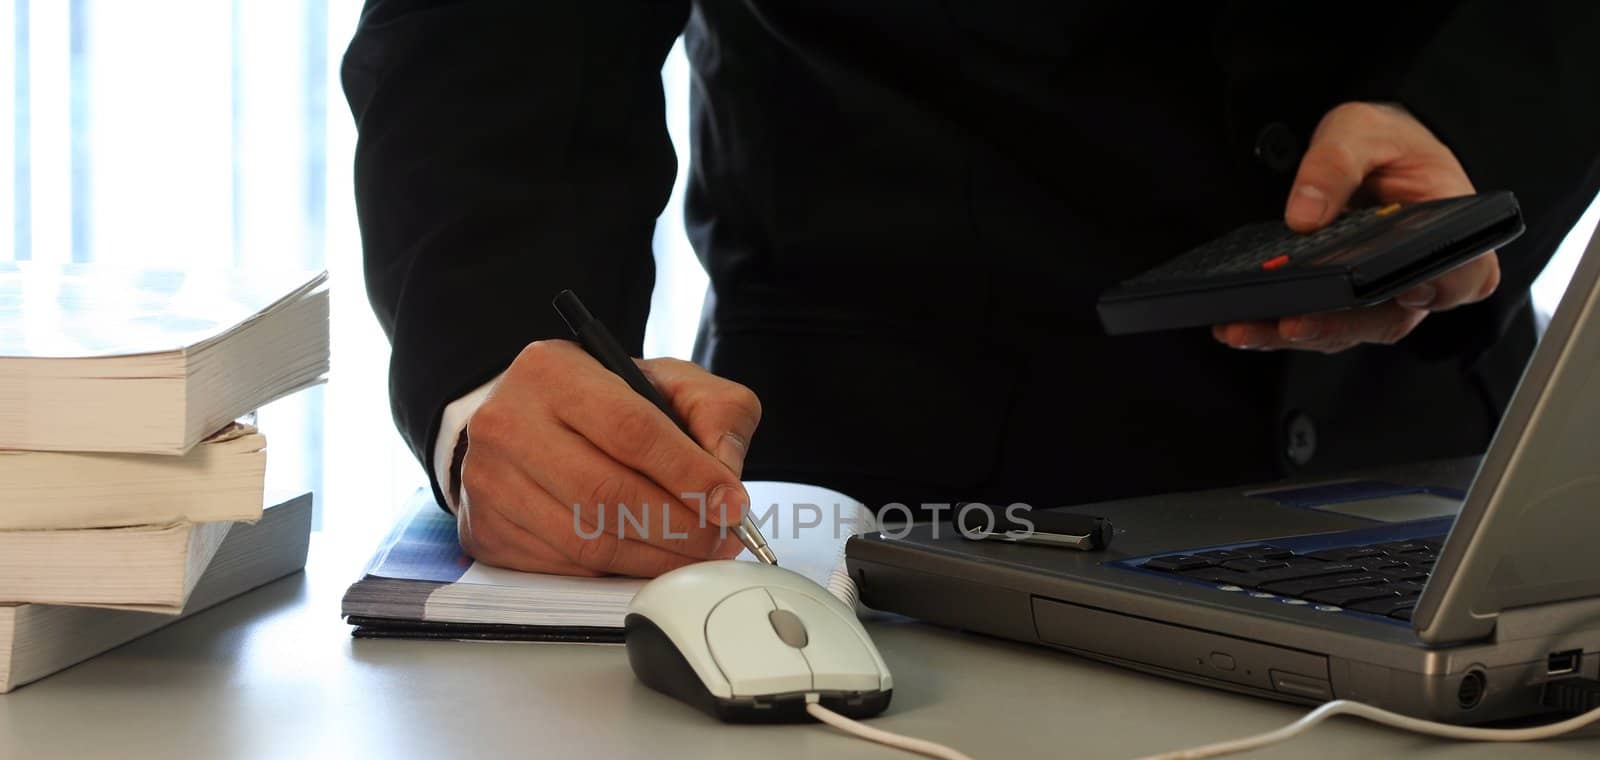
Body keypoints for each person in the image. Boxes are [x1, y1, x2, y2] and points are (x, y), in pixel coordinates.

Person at [343, 2, 1600, 578]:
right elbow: (497, 41)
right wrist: (494, 385)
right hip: (891, 543)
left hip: (1440, 494)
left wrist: (1465, 147)